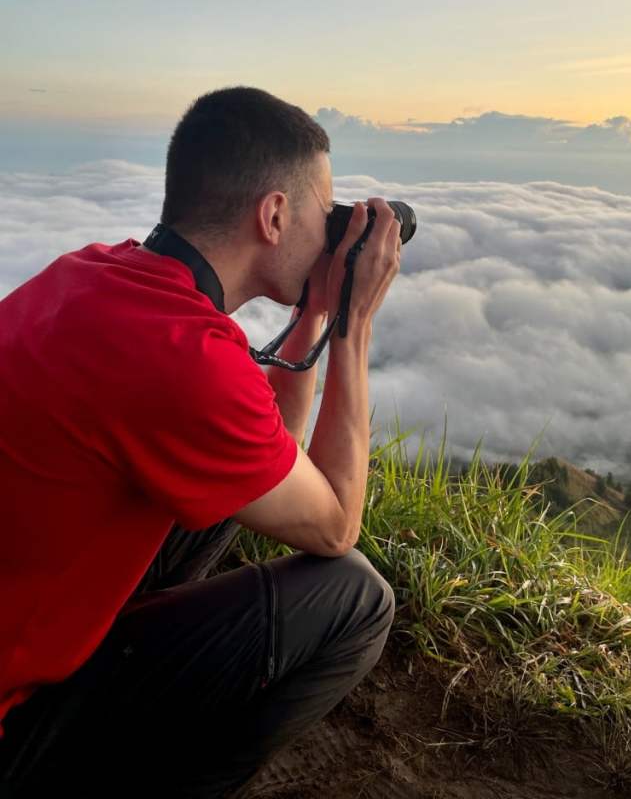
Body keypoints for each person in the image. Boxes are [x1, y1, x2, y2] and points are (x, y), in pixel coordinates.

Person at [0, 86, 401, 798]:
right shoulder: (182, 357)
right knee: (356, 597)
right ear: (275, 215)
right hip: (10, 725)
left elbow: (270, 455)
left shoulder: (90, 273)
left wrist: (311, 314)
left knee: (228, 490)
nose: (327, 231)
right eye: (322, 212)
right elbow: (335, 522)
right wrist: (353, 325)